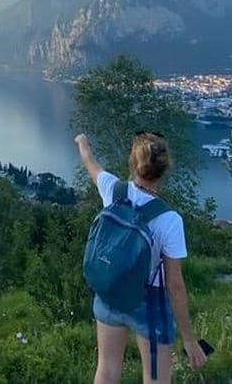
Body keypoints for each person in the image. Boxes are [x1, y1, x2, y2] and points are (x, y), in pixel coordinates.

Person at [75, 131, 207, 384]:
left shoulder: (113, 190)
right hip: (151, 304)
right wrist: (189, 339)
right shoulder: (169, 220)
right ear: (165, 170)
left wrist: (82, 141)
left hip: (111, 291)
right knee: (155, 378)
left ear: (133, 163)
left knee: (107, 370)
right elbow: (175, 286)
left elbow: (89, 160)